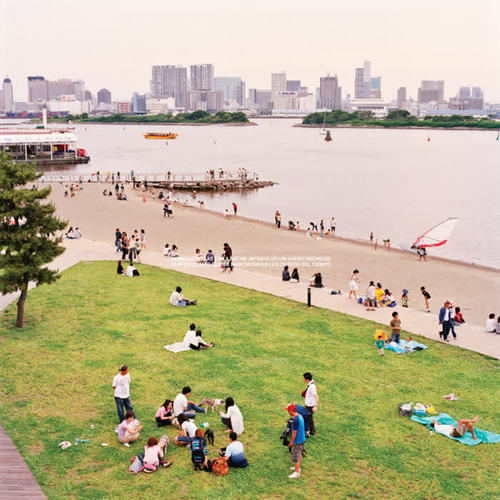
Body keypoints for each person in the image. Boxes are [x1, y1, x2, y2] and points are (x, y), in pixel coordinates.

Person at [285, 404, 306, 479]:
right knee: (299, 454)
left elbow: (294, 432)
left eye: (288, 410)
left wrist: (291, 442)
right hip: (302, 439)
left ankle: (297, 473)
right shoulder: (299, 416)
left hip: (297, 441)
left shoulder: (296, 420)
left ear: (291, 411)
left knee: (295, 456)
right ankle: (297, 468)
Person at [302, 372, 318, 436]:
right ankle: (310, 431)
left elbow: (316, 396)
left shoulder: (312, 387)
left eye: (304, 378)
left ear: (307, 379)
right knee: (308, 418)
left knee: (309, 418)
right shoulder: (310, 384)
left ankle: (312, 432)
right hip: (308, 404)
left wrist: (315, 406)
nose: (303, 380)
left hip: (310, 406)